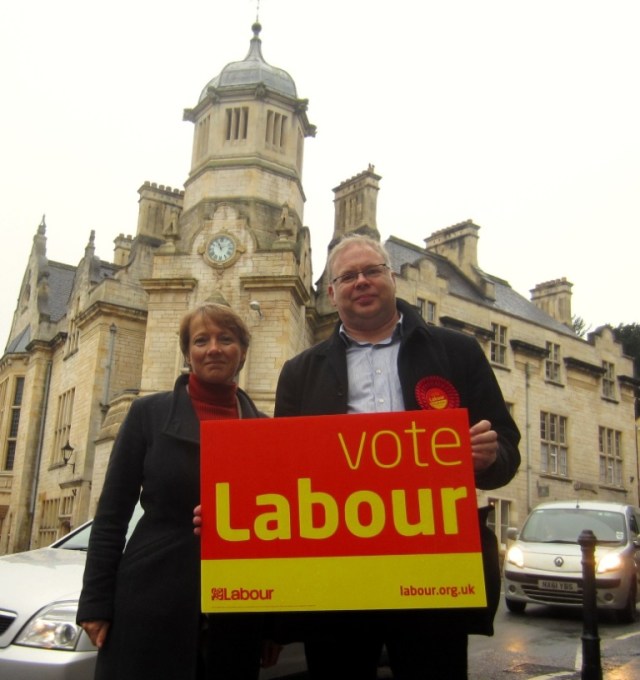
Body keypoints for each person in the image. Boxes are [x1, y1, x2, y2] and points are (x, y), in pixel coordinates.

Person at [273, 233, 521, 680]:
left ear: (391, 278)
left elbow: (506, 447)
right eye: (347, 276)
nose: (361, 281)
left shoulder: (457, 352)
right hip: (335, 574)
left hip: (434, 569)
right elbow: (283, 477)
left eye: (372, 271)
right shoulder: (299, 372)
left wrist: (489, 456)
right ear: (331, 292)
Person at [77, 302, 279, 680]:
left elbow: (278, 532)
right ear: (188, 353)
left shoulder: (265, 430)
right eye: (201, 340)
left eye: (226, 339)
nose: (214, 348)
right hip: (153, 596)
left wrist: (271, 626)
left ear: (243, 351)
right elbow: (111, 515)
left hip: (238, 609)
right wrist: (95, 603)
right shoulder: (146, 414)